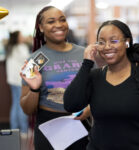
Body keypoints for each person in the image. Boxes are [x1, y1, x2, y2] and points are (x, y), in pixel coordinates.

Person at [64, 20, 139, 150]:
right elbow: (71, 104)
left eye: (114, 41)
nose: (107, 46)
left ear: (127, 42)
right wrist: (87, 62)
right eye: (101, 42)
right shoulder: (94, 76)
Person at [20, 6, 90, 150]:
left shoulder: (84, 54)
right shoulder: (33, 61)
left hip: (81, 124)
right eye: (51, 21)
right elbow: (27, 110)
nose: (58, 25)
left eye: (62, 20)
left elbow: (99, 90)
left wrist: (90, 108)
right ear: (41, 27)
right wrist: (35, 89)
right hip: (49, 127)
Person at [5, 31, 30, 136]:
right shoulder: (21, 47)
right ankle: (24, 130)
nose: (23, 36)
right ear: (17, 38)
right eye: (21, 35)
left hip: (12, 80)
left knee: (15, 104)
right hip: (20, 81)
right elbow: (29, 61)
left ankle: (14, 130)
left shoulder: (10, 48)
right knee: (22, 105)